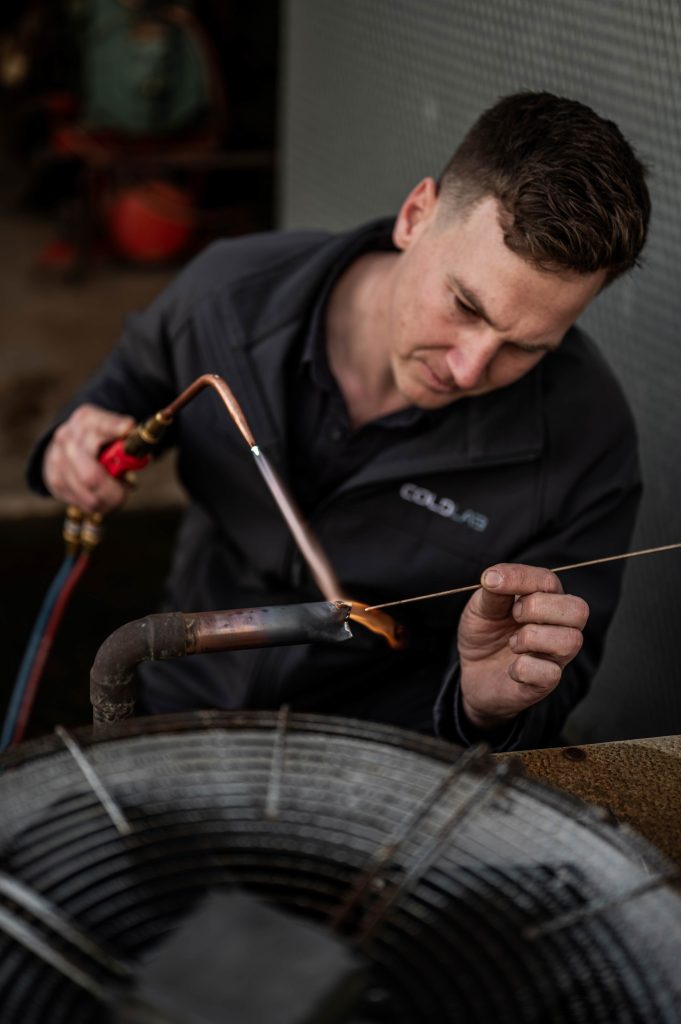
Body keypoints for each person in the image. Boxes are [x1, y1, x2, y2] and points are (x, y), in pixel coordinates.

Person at [28, 91, 650, 751]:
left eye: (525, 347)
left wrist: (486, 707)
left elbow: (561, 670)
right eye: (466, 306)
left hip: (384, 752)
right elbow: (116, 393)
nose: (469, 369)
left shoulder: (588, 439)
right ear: (415, 216)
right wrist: (73, 450)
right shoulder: (229, 294)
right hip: (182, 695)